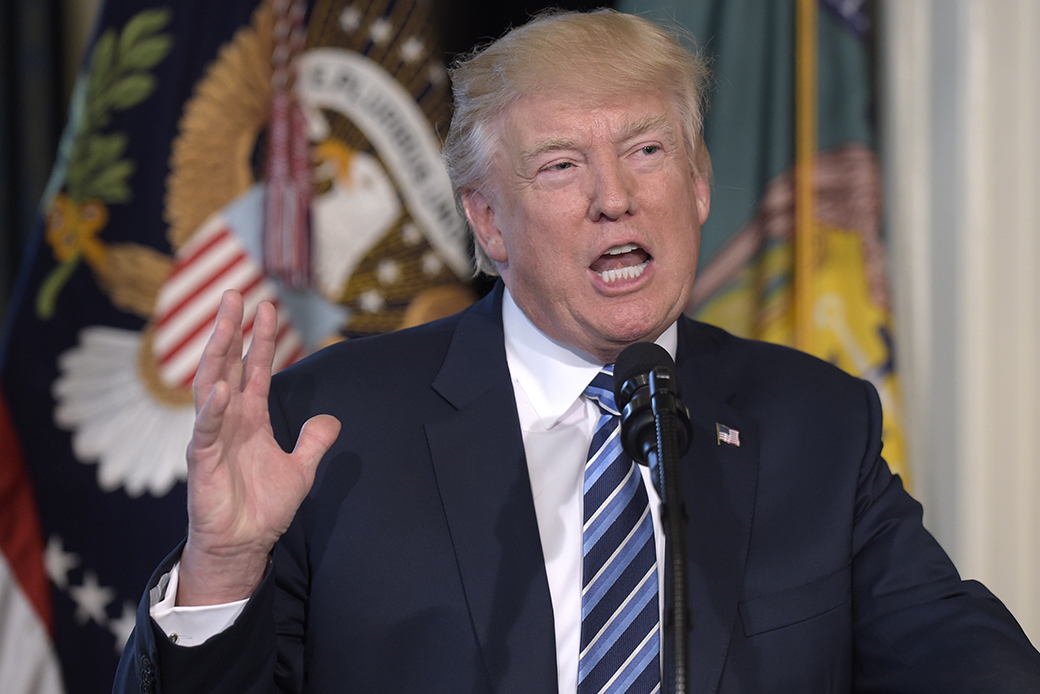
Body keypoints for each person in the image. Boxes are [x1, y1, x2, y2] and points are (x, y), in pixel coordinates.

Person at [114, 9, 1040, 694]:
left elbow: (959, 657)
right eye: (561, 165)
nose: (615, 198)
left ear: (701, 182)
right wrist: (223, 572)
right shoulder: (334, 428)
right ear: (488, 222)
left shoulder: (813, 422)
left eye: (646, 151)